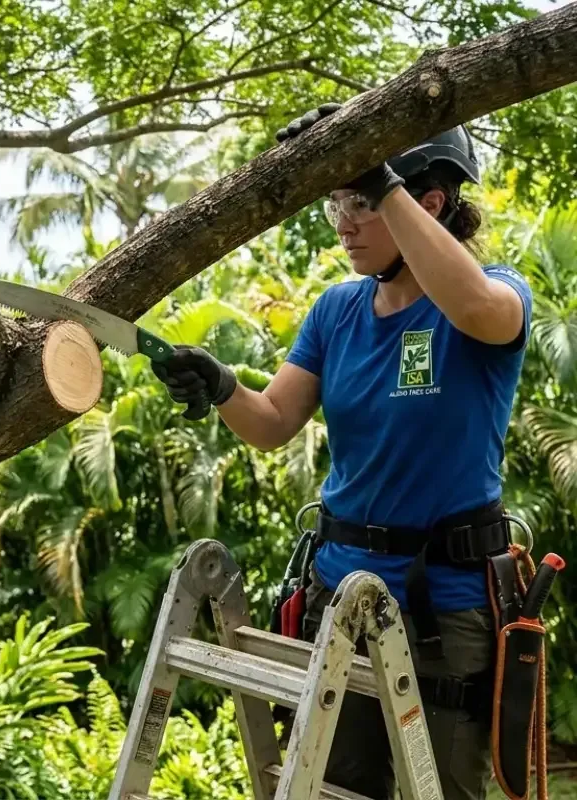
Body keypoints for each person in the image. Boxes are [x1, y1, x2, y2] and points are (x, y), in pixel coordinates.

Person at [150, 102, 534, 800]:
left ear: (431, 201)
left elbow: (477, 307)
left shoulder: (497, 296)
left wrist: (381, 177)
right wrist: (221, 384)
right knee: (338, 788)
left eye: (361, 201)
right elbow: (272, 422)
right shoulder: (338, 311)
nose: (345, 223)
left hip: (444, 609)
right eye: (336, 205)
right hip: (340, 599)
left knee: (442, 789)